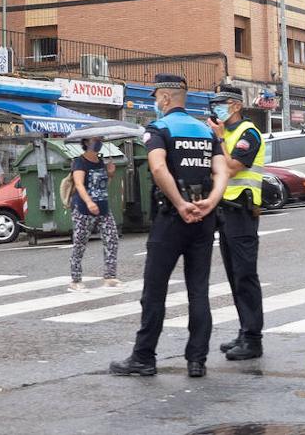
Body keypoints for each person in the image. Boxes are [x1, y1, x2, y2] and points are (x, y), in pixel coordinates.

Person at [110, 74, 229, 379]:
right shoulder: (205, 130)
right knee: (198, 290)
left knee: (154, 291)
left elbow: (158, 166)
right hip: (203, 219)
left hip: (172, 219)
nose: (155, 104)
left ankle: (144, 357)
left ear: (164, 98)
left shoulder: (159, 128)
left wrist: (179, 203)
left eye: (155, 99)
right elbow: (222, 170)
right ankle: (196, 360)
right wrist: (210, 202)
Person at [208, 85, 266, 360]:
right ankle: (244, 332)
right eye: (215, 103)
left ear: (236, 106)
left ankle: (253, 340)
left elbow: (231, 167)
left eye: (222, 103)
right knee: (234, 276)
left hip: (242, 210)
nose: (217, 108)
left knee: (245, 275)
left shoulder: (247, 133)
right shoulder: (227, 133)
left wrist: (218, 140)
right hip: (225, 211)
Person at [68, 137, 122, 292]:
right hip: (83, 209)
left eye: (100, 140)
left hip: (103, 208)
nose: (99, 142)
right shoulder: (80, 162)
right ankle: (75, 280)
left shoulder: (101, 162)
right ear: (86, 143)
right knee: (80, 243)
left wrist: (110, 174)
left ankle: (110, 277)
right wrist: (89, 202)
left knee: (112, 239)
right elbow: (78, 184)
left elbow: (103, 186)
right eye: (95, 140)